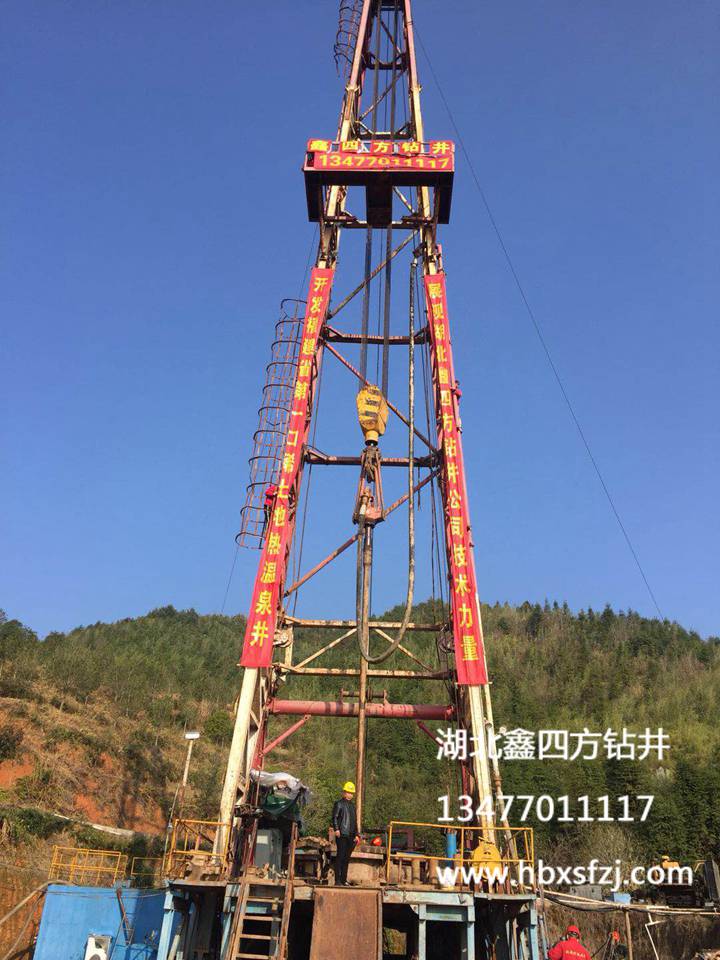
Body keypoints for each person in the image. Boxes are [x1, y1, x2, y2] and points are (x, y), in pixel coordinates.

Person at [331, 780, 360, 885]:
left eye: (351, 793)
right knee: (340, 857)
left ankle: (343, 880)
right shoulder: (339, 804)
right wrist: (336, 829)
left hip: (351, 835)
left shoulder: (352, 806)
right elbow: (334, 817)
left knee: (346, 858)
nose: (350, 794)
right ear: (344, 792)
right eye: (348, 792)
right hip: (342, 834)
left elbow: (354, 821)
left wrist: (356, 834)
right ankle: (337, 880)